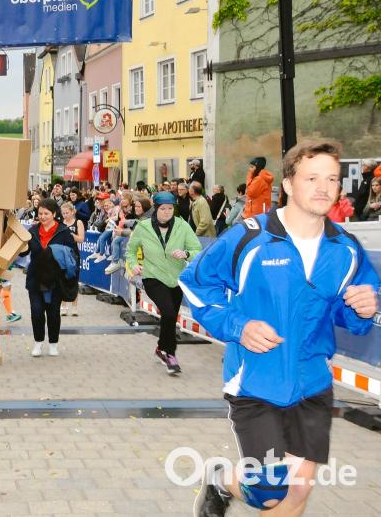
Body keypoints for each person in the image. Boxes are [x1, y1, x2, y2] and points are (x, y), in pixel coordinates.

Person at [183, 139, 380, 517]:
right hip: (256, 382)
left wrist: (363, 307)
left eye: (332, 179)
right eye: (311, 178)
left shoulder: (346, 248)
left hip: (312, 384)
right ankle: (221, 480)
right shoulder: (250, 236)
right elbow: (196, 282)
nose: (323, 188)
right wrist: (238, 326)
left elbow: (347, 316)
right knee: (268, 490)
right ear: (288, 184)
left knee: (297, 494)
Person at [125, 191, 201, 375]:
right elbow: (130, 251)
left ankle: (160, 348)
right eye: (163, 209)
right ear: (156, 209)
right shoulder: (143, 227)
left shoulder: (182, 226)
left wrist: (186, 254)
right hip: (153, 277)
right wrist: (134, 265)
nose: (167, 212)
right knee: (167, 313)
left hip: (176, 279)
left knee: (171, 317)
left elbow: (196, 248)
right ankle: (170, 355)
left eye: (170, 209)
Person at [22, 199, 79, 357]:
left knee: (53, 312)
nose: (43, 216)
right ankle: (38, 342)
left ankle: (53, 343)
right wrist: (21, 248)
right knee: (37, 311)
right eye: (40, 213)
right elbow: (24, 252)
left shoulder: (64, 232)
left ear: (54, 214)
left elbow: (73, 255)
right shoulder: (32, 231)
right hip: (35, 277)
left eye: (46, 213)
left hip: (55, 279)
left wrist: (72, 278)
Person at [59, 202, 85, 316]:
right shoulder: (61, 223)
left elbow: (81, 239)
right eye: (63, 213)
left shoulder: (78, 222)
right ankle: (63, 306)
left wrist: (71, 234)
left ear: (72, 212)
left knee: (74, 280)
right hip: (62, 253)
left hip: (73, 253)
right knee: (62, 280)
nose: (65, 215)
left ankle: (74, 306)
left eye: (67, 213)